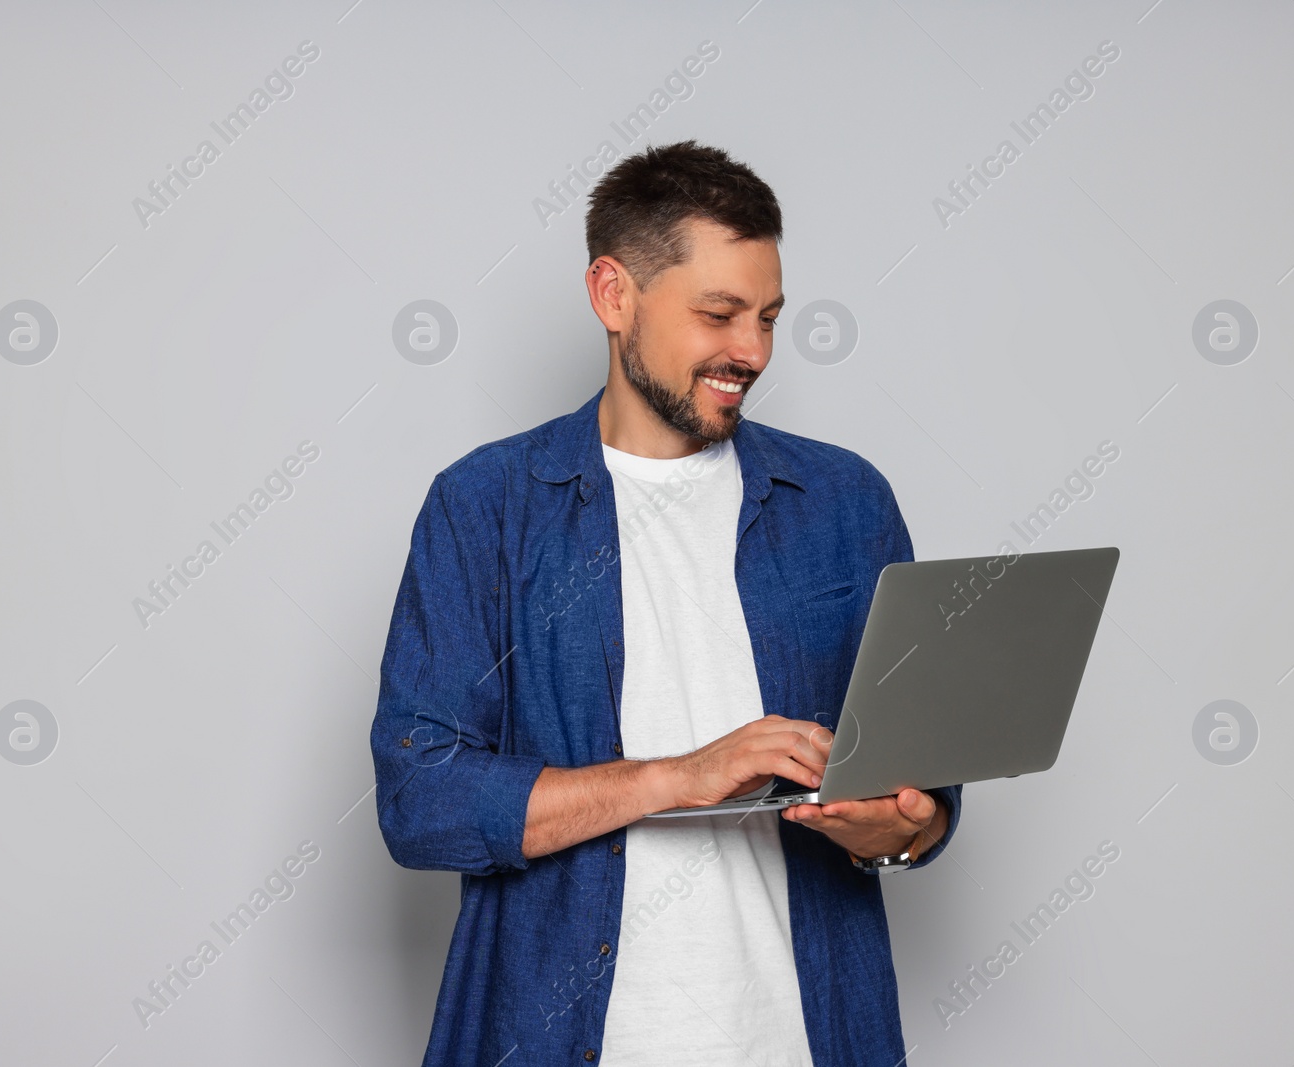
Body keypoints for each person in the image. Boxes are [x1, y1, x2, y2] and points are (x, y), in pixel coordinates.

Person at [372, 140, 960, 1066]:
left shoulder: (846, 504)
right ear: (614, 296)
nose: (753, 351)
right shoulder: (484, 508)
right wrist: (678, 777)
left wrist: (906, 825)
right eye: (719, 314)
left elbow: (922, 787)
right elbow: (421, 798)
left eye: (768, 317)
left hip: (808, 1037)